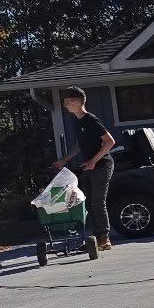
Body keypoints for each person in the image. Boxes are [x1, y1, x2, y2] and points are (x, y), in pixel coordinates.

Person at [57, 86, 116, 249]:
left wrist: (94, 161)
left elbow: (110, 142)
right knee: (88, 203)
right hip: (89, 166)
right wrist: (65, 159)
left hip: (102, 165)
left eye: (67, 101)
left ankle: (104, 239)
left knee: (98, 202)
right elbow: (80, 145)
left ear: (76, 101)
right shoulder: (77, 121)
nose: (65, 105)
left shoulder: (90, 119)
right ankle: (95, 241)